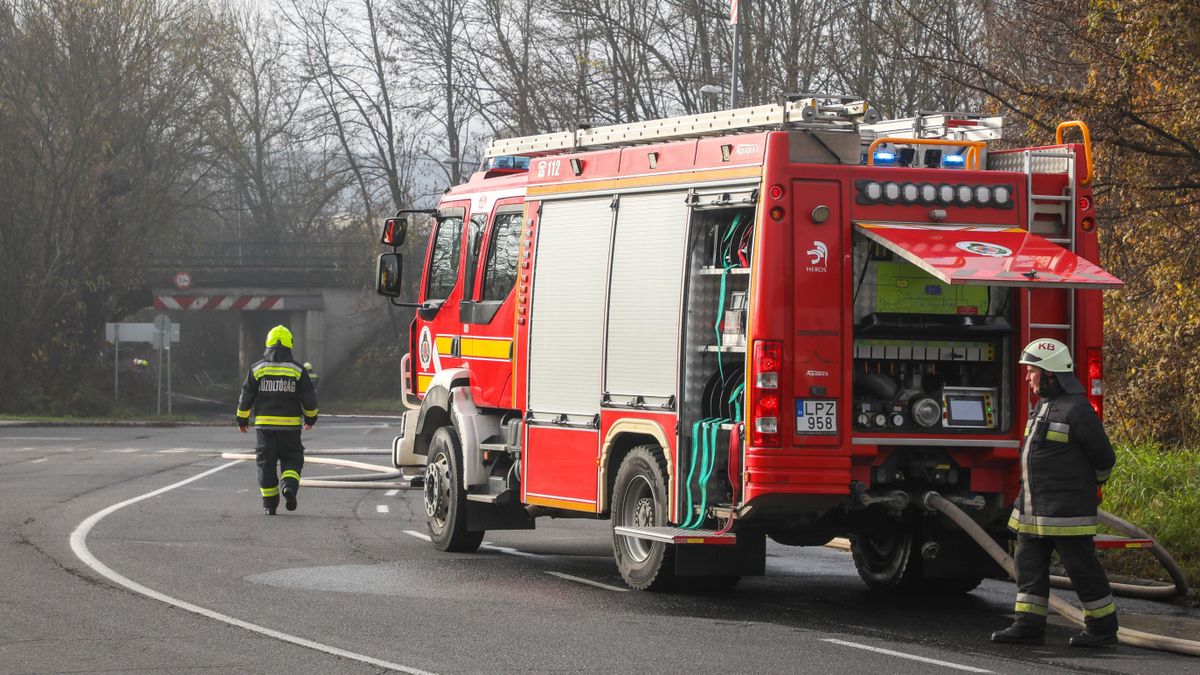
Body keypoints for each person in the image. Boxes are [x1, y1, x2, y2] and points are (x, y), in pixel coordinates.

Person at [991, 338, 1118, 648]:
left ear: (1050, 373)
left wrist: (1086, 487)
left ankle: (1102, 628)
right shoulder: (1043, 407)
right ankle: (1028, 626)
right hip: (1033, 512)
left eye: (1031, 371)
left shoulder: (1078, 410)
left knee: (1082, 570)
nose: (1027, 378)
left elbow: (1104, 458)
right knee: (1028, 568)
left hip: (1065, 514)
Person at [236, 325, 318, 515]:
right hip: (290, 429)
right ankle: (288, 485)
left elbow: (246, 395)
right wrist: (310, 418)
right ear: (290, 344)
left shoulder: (257, 369)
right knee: (292, 458)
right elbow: (309, 397)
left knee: (266, 464)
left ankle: (270, 505)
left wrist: (242, 419)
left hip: (264, 429)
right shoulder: (297, 370)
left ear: (268, 343)